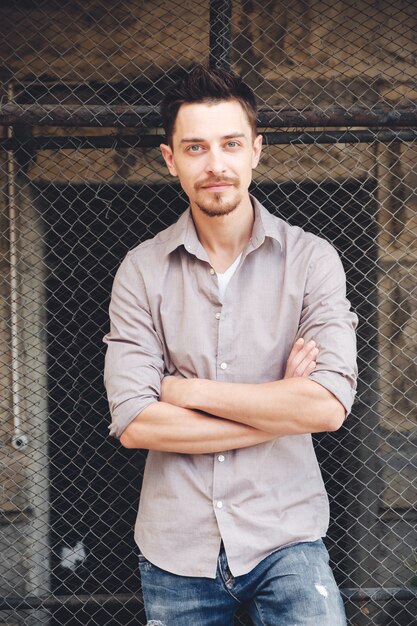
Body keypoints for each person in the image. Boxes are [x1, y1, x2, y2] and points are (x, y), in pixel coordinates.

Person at [103, 65, 358, 626]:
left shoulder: (312, 260)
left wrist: (187, 390)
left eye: (230, 144)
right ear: (170, 158)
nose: (215, 164)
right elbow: (136, 422)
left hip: (286, 537)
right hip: (176, 547)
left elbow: (327, 406)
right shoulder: (141, 271)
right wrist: (279, 409)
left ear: (256, 152)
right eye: (195, 147)